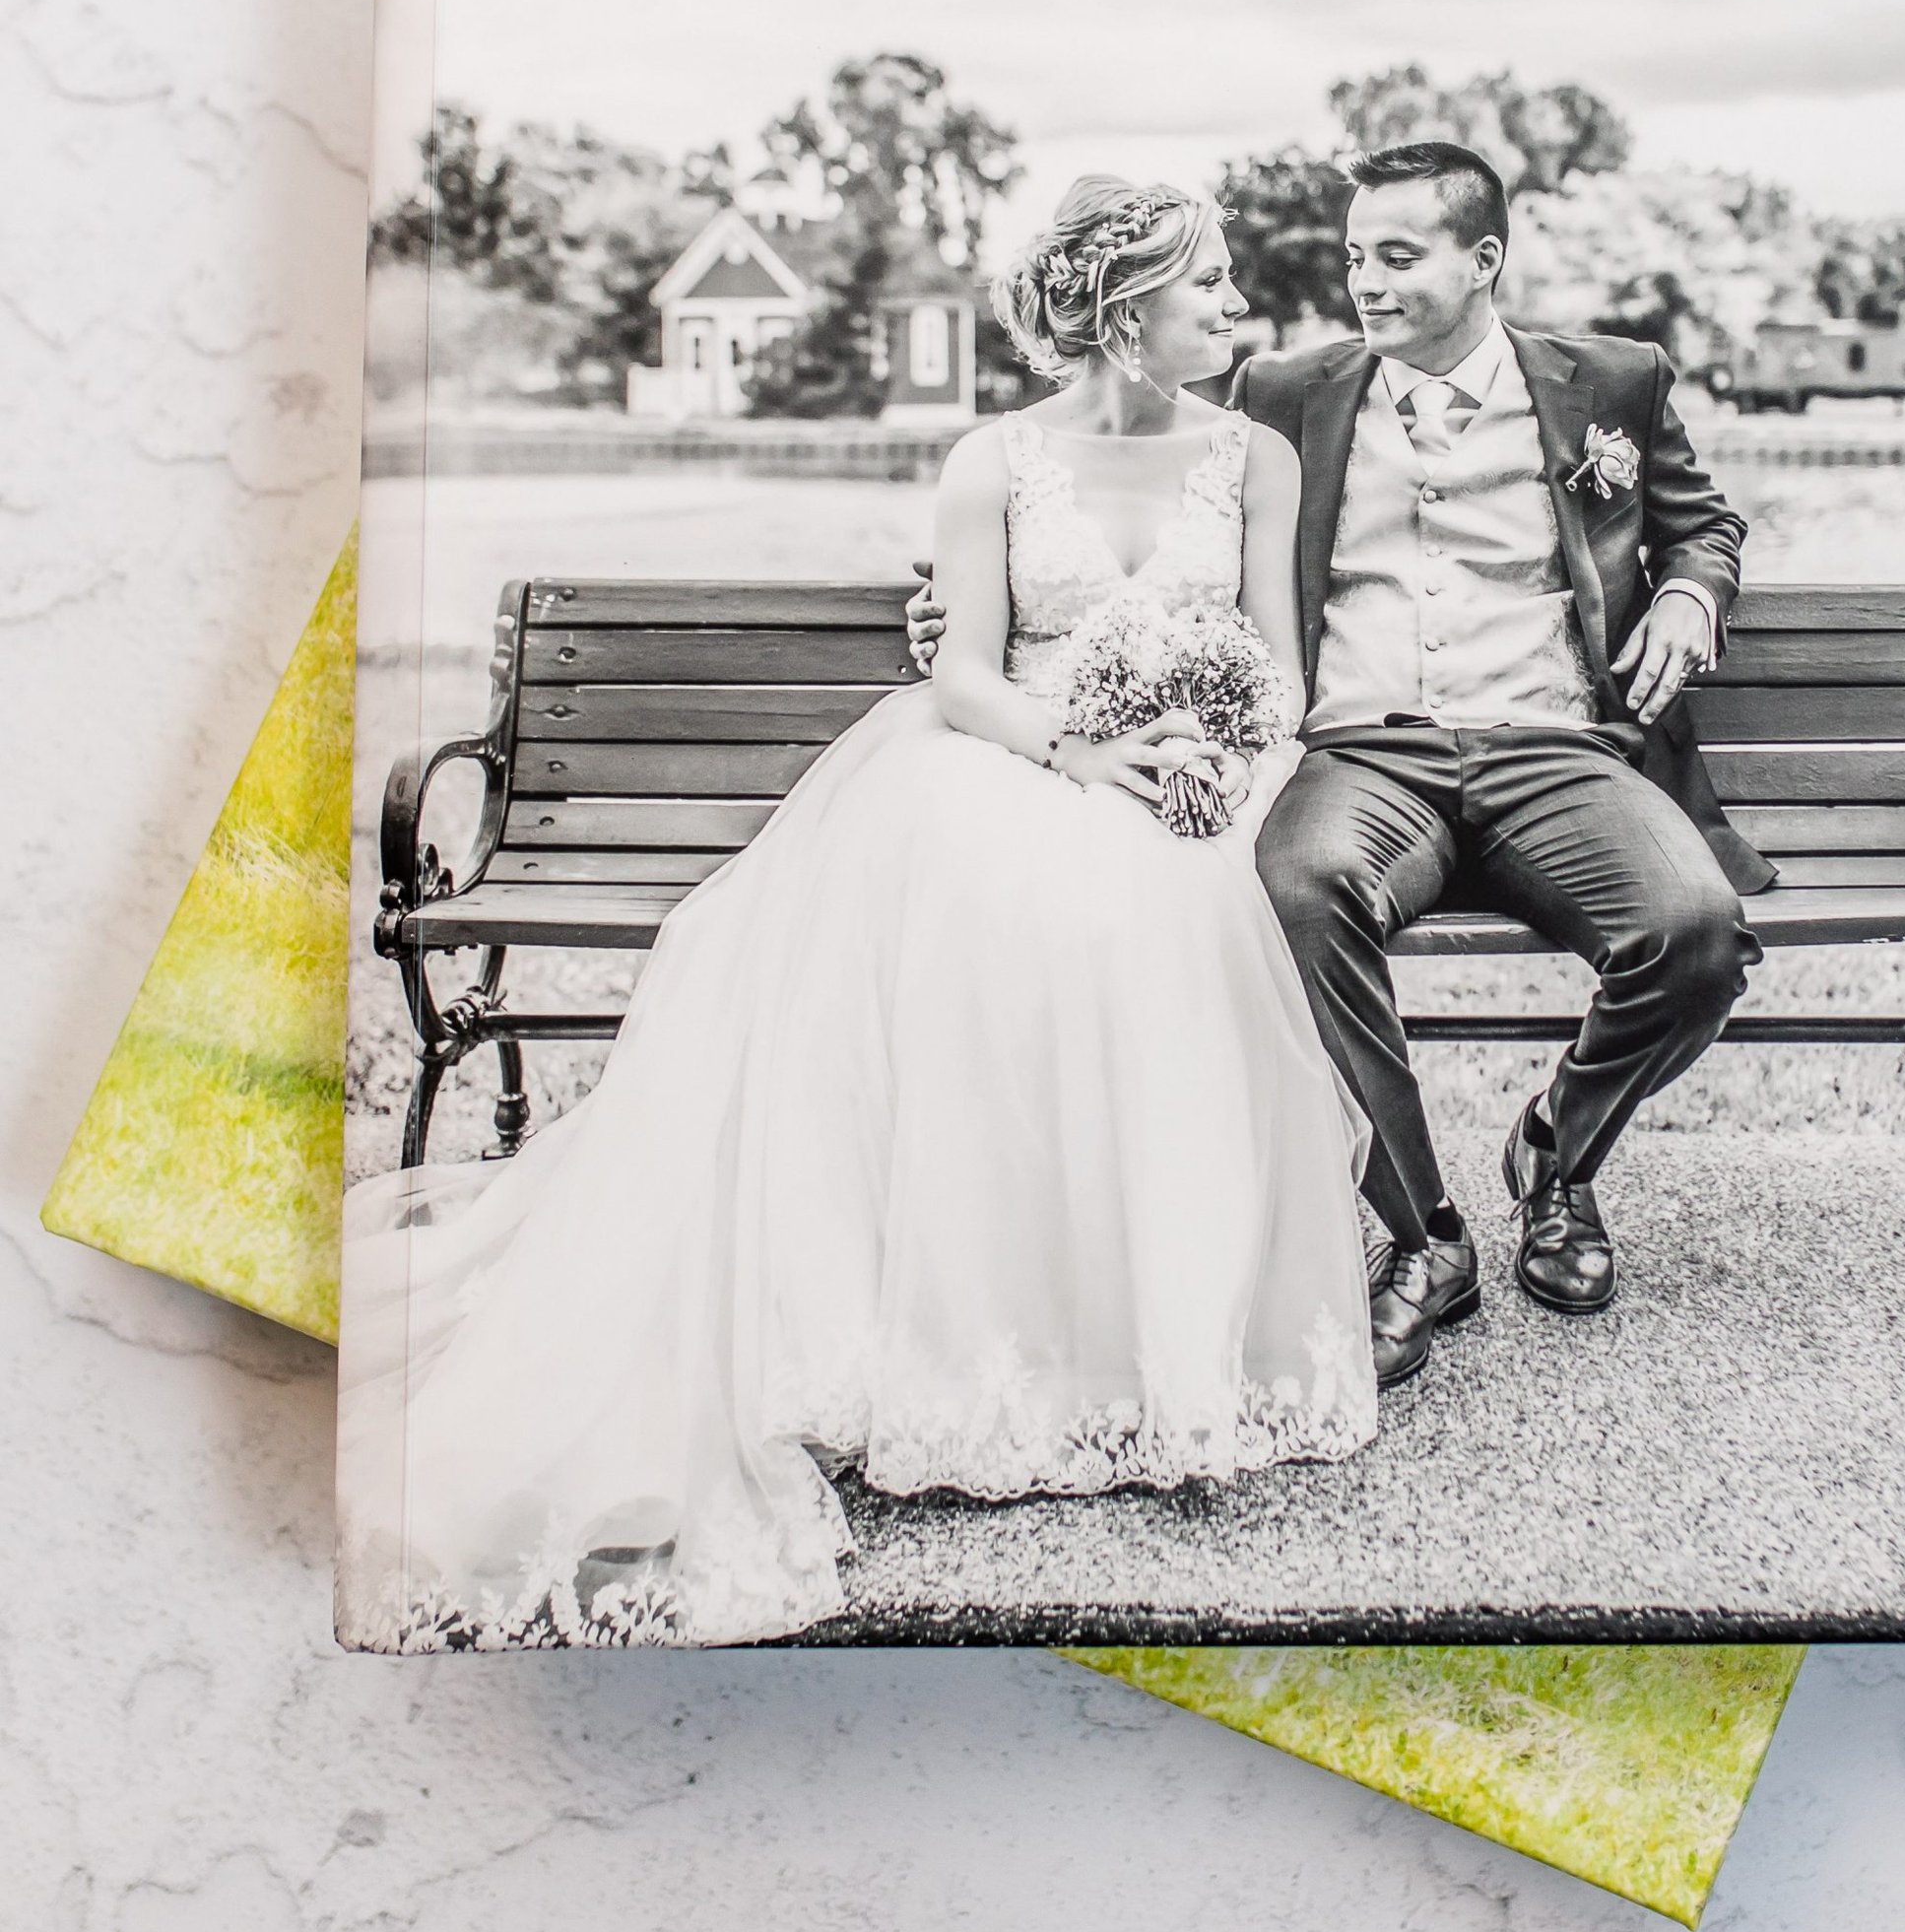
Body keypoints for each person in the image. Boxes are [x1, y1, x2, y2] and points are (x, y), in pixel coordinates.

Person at [336, 178, 1377, 1653]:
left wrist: (1217, 764)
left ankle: (1162, 1346)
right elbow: (963, 676)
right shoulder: (993, 460)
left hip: (1193, 785)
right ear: (1128, 307)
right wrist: (1076, 752)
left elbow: (1276, 665)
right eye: (1209, 286)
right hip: (1021, 750)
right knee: (1014, 903)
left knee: (1166, 912)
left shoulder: (1254, 457)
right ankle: (971, 1344)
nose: (1239, 310)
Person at [910, 141, 1773, 1388]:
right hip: (1362, 753)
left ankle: (1558, 1157)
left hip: (1551, 745)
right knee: (1292, 892)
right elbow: (1100, 477)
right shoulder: (1278, 392)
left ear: (1482, 262)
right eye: (1355, 254)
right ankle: (1421, 1236)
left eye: (1398, 255)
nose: (1364, 281)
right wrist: (947, 617)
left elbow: (1702, 524)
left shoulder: (1614, 384)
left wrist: (1691, 597)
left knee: (1695, 933)